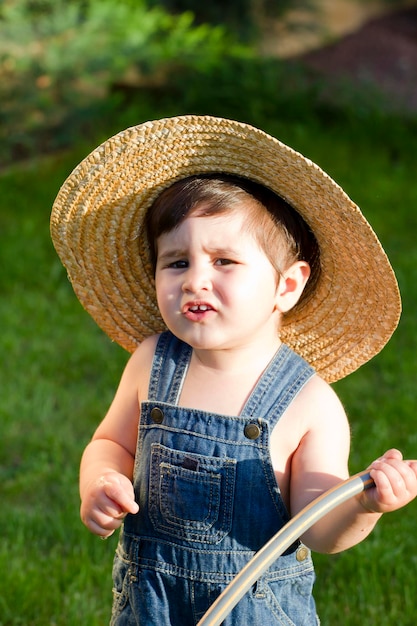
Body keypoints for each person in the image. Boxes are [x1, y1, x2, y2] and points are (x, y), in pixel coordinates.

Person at [51, 115, 417, 625]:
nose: (196, 280)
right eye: (176, 262)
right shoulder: (151, 362)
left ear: (286, 286)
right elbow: (110, 442)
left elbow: (318, 526)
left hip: (255, 611)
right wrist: (100, 481)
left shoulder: (308, 404)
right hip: (151, 603)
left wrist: (365, 506)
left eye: (224, 261)